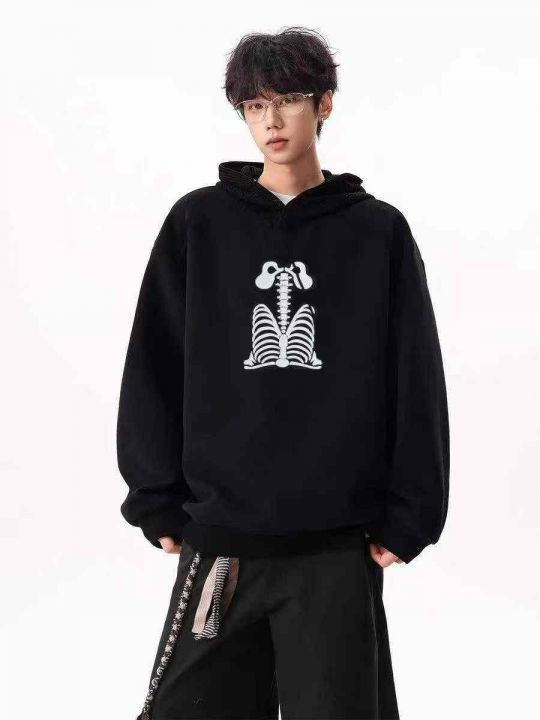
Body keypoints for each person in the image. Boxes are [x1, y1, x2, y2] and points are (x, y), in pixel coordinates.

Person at [116, 26, 450, 720]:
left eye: (290, 99)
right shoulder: (198, 224)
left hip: (334, 548)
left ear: (324, 104)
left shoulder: (377, 232)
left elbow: (414, 377)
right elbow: (154, 362)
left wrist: (412, 512)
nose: (271, 120)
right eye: (255, 104)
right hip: (222, 546)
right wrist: (155, 496)